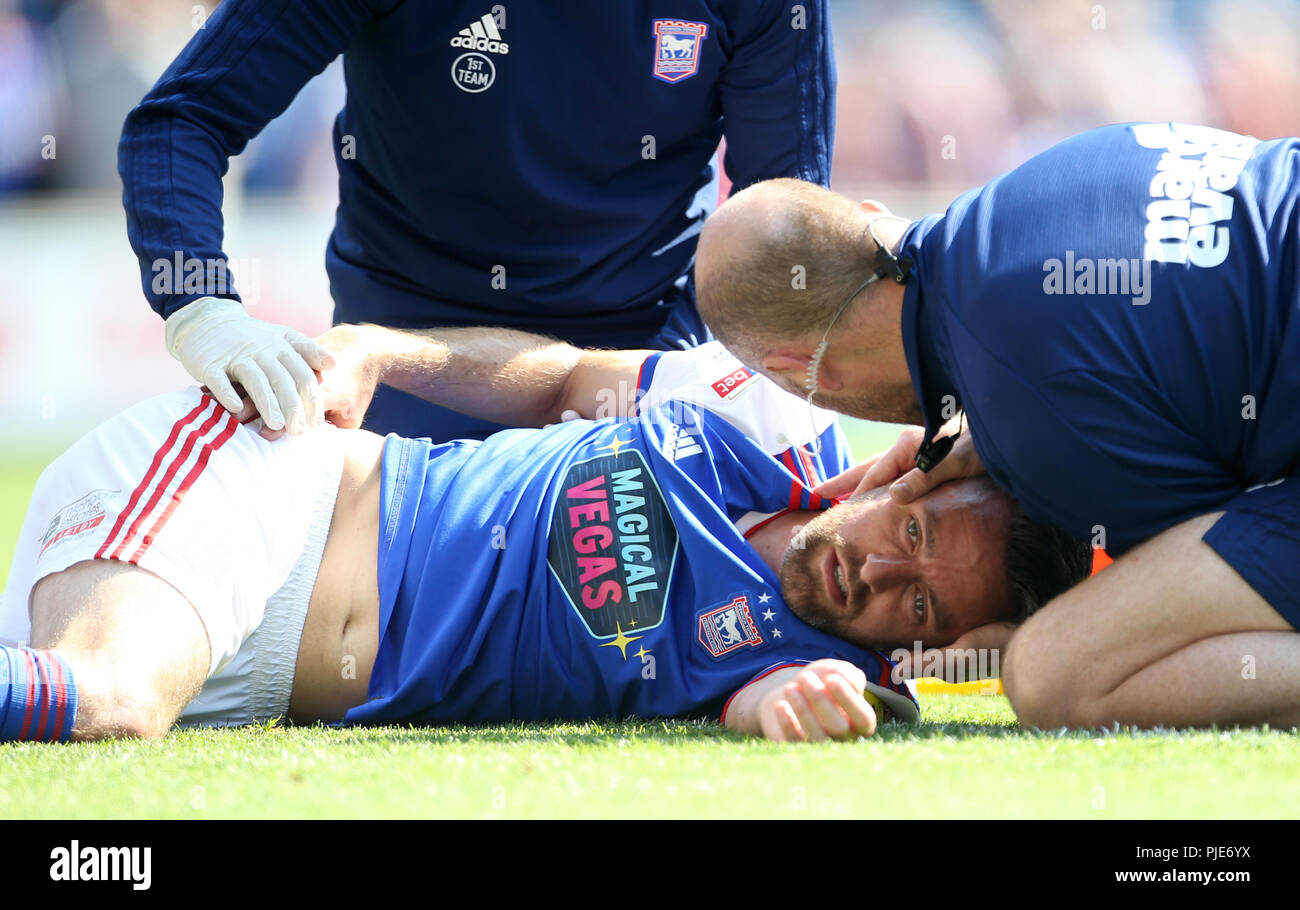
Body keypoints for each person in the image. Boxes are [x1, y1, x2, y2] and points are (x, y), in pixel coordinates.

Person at [0, 325, 1088, 744]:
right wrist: (385, 352)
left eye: (919, 600)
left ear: (932, 640)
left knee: (90, 708)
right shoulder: (754, 417)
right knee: (105, 698)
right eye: (906, 529)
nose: (877, 570)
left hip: (248, 681)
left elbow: (768, 700)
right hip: (263, 492)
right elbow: (565, 378)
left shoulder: (828, 674)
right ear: (902, 471)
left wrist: (779, 704)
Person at [692, 121, 1300, 730]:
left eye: (912, 533)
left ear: (802, 371)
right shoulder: (1048, 178)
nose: (876, 569)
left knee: (1058, 671)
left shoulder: (1038, 413)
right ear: (872, 216)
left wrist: (1022, 635)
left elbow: (1179, 601)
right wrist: (1000, 424)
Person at [118, 0, 838, 442]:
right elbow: (184, 117)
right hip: (397, 368)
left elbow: (783, 226)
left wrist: (697, 380)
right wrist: (202, 307)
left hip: (641, 365)